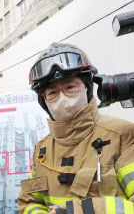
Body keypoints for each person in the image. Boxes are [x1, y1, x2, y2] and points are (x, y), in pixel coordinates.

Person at [18, 43, 134, 214]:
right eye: (52, 93)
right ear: (44, 101)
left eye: (70, 87)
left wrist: (76, 211)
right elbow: (27, 204)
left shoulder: (123, 135)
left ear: (87, 88)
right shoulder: (42, 150)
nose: (62, 99)